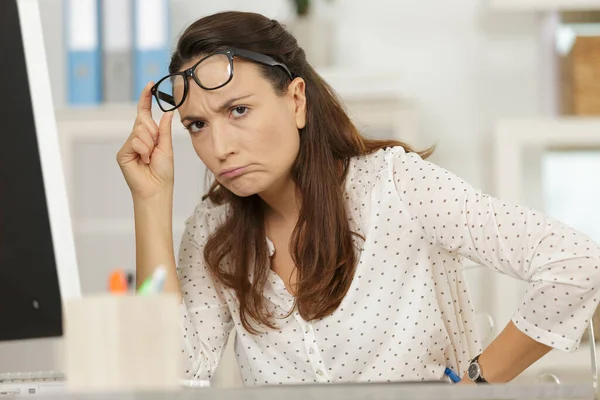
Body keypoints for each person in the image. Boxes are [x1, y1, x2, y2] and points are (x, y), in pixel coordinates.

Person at [116, 10, 600, 386]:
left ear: (297, 100)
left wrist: (476, 383)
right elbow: (172, 369)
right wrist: (151, 202)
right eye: (197, 125)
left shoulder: (395, 186)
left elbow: (576, 264)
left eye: (238, 110)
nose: (218, 148)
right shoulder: (213, 227)